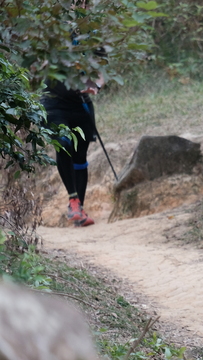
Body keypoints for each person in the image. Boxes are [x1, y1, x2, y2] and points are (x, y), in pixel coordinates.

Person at [42, 0, 105, 227]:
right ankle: (73, 200)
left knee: (80, 156)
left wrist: (95, 86)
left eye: (86, 4)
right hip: (54, 103)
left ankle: (79, 209)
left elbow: (100, 71)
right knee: (63, 143)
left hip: (81, 104)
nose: (82, 7)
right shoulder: (54, 31)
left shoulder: (94, 36)